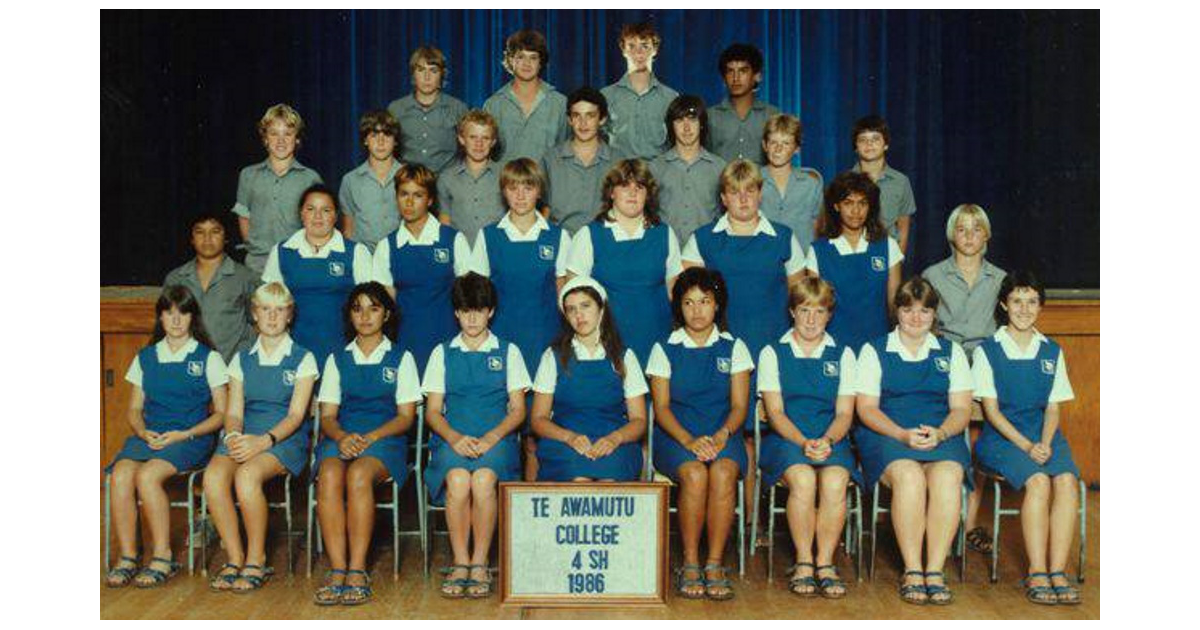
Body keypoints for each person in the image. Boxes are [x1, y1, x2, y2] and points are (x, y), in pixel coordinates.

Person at [681, 158, 806, 546]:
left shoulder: (783, 237)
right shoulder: (703, 238)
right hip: (720, 356)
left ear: (760, 194)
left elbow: (801, 299)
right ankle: (720, 523)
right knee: (733, 435)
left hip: (771, 351)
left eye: (750, 190)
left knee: (764, 433)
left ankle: (756, 524)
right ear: (723, 198)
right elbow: (687, 299)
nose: (743, 198)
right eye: (734, 192)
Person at [854, 277, 973, 605]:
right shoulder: (874, 350)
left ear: (934, 314)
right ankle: (912, 569)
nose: (916, 318)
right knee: (909, 476)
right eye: (908, 310)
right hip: (888, 434)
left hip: (940, 434)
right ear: (897, 312)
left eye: (924, 310)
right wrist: (902, 435)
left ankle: (934, 569)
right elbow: (865, 408)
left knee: (949, 476)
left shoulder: (952, 353)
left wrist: (942, 433)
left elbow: (961, 408)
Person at [105, 286, 228, 588]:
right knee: (119, 476)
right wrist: (142, 431)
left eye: (182, 312)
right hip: (151, 435)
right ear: (160, 317)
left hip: (190, 437)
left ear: (192, 317)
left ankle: (163, 556)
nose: (176, 320)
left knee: (148, 476)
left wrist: (185, 433)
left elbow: (222, 414)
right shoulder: (146, 357)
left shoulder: (208, 358)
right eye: (169, 313)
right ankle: (129, 557)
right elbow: (134, 409)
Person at [972, 270, 1081, 606]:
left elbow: (1052, 408)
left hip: (1043, 435)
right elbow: (991, 412)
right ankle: (1036, 571)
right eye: (1017, 301)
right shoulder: (988, 350)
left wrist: (1046, 442)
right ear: (1004, 304)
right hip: (1003, 438)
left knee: (1065, 481)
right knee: (1038, 482)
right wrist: (1026, 446)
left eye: (1032, 301)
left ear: (1040, 306)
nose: (1024, 308)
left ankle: (1057, 571)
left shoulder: (1051, 350)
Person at [203, 282, 318, 593]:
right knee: (213, 478)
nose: (272, 316)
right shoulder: (242, 358)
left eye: (280, 310)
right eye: (265, 309)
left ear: (289, 316)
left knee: (247, 476)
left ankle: (257, 557)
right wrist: (233, 437)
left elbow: (296, 415)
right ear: (254, 314)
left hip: (282, 438)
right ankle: (235, 557)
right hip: (245, 434)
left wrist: (264, 441)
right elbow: (234, 411)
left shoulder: (303, 358)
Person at [645, 267, 752, 601]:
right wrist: (689, 441)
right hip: (677, 435)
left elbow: (739, 406)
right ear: (679, 307)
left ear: (717, 305)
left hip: (723, 433)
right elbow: (661, 408)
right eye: (689, 303)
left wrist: (721, 436)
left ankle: (714, 563)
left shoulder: (735, 347)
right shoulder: (664, 348)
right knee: (693, 474)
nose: (697, 310)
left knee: (722, 472)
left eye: (704, 301)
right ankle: (690, 562)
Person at [422, 273, 531, 598]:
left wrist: (491, 438)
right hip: (452, 440)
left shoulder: (509, 351)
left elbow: (518, 411)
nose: (472, 317)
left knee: (483, 480)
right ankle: (460, 562)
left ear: (491, 312)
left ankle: (480, 562)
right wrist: (455, 438)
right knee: (457, 481)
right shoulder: (442, 352)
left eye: (479, 310)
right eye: (466, 310)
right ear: (456, 312)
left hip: (496, 443)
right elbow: (432, 411)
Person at [312, 282, 421, 606]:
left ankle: (358, 570)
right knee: (330, 474)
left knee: (359, 474)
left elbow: (406, 417)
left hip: (384, 440)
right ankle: (337, 570)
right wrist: (343, 437)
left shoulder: (401, 358)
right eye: (357, 308)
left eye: (373, 308)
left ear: (386, 314)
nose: (365, 316)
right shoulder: (337, 358)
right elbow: (328, 416)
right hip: (342, 437)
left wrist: (370, 438)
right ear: (350, 315)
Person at [757, 277, 857, 599]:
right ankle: (803, 561)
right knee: (803, 480)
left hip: (831, 438)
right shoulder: (773, 352)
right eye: (804, 310)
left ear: (829, 314)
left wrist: (827, 440)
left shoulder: (843, 354)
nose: (811, 320)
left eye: (819, 311)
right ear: (792, 312)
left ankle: (825, 563)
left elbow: (844, 413)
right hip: (787, 439)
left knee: (835, 481)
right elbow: (775, 412)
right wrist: (803, 442)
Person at [921, 203, 1006, 557]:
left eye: (976, 228)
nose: (969, 235)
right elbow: (924, 325)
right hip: (945, 361)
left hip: (984, 363)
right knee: (947, 428)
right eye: (962, 228)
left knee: (977, 434)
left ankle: (969, 522)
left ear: (986, 235)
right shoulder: (933, 275)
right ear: (951, 235)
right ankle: (938, 518)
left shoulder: (1001, 279)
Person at [531, 276, 648, 482]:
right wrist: (569, 438)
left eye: (585, 306)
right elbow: (538, 420)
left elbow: (639, 420)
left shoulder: (624, 356)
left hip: (614, 441)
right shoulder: (553, 356)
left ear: (601, 309)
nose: (579, 315)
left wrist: (615, 439)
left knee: (610, 480)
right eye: (571, 309)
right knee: (579, 479)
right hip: (565, 443)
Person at [567, 159, 682, 364]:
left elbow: (675, 293)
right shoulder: (588, 235)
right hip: (608, 345)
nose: (632, 193)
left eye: (639, 187)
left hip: (657, 342)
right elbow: (574, 300)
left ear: (648, 195)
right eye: (624, 186)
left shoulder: (664, 234)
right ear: (611, 192)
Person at [372, 164, 474, 373]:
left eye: (417, 195)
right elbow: (383, 306)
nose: (409, 202)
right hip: (405, 341)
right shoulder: (387, 246)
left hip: (449, 339)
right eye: (403, 194)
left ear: (429, 200)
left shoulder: (453, 240)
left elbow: (468, 299)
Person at [261, 184, 373, 365]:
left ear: (336, 216)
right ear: (301, 213)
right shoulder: (282, 251)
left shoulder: (356, 252)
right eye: (311, 209)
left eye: (326, 210)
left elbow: (370, 307)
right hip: (292, 349)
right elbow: (268, 305)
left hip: (342, 348)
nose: (318, 216)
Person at [806, 171, 904, 353]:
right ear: (836, 206)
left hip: (878, 347)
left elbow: (894, 307)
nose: (856, 211)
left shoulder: (888, 246)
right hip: (834, 348)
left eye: (862, 203)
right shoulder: (818, 251)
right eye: (848, 203)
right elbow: (815, 307)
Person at [231, 103, 324, 275]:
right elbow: (243, 215)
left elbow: (319, 222)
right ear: (265, 138)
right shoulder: (248, 175)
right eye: (274, 133)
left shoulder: (310, 178)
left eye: (288, 134)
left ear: (297, 139)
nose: (281, 140)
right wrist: (254, 248)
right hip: (257, 265)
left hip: (298, 261)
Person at [163, 213, 259, 361]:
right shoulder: (176, 279)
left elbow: (258, 323)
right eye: (200, 232)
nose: (207, 238)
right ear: (191, 239)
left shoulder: (245, 278)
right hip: (186, 367)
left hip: (232, 370)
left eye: (215, 231)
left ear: (226, 237)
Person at [541, 87, 621, 234]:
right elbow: (544, 209)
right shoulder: (551, 159)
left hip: (606, 243)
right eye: (577, 115)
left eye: (590, 116)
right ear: (569, 120)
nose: (583, 123)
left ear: (602, 119)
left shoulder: (618, 161)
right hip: (563, 242)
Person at [649, 95, 727, 244]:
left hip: (707, 252)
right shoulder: (656, 167)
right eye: (679, 120)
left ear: (702, 123)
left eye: (692, 119)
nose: (686, 127)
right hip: (667, 253)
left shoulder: (720, 167)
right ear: (671, 125)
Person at [483, 29, 568, 162]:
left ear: (541, 62)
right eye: (521, 57)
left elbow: (566, 151)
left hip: (548, 181)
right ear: (511, 60)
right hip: (504, 181)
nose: (527, 63)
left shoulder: (560, 103)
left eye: (533, 57)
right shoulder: (493, 105)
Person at [601, 21, 679, 160]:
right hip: (619, 174)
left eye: (645, 46)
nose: (638, 52)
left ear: (655, 50)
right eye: (631, 46)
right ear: (623, 50)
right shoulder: (606, 96)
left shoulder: (671, 97)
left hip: (657, 176)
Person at [387, 46, 469, 174]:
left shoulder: (458, 108)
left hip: (447, 186)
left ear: (442, 75)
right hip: (409, 185)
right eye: (421, 70)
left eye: (433, 71)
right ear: (413, 74)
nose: (427, 77)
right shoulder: (396, 109)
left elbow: (468, 151)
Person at [338, 110, 404, 252]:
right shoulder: (350, 180)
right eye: (374, 135)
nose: (381, 142)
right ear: (365, 140)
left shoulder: (409, 177)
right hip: (364, 259)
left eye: (387, 134)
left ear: (396, 140)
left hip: (401, 257)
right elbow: (349, 229)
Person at [437, 110, 505, 246]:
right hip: (461, 252)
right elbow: (445, 219)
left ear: (493, 142)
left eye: (485, 138)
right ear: (462, 139)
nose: (479, 144)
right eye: (473, 137)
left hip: (497, 249)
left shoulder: (505, 174)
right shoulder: (447, 178)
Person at [850, 115, 916, 253]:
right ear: (855, 147)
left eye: (875, 139)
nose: (869, 144)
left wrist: (899, 258)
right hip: (853, 254)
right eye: (863, 140)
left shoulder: (900, 181)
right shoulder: (845, 182)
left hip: (887, 255)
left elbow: (903, 227)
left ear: (886, 144)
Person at [759, 114, 824, 254]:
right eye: (773, 142)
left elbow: (817, 226)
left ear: (797, 149)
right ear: (765, 145)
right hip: (764, 258)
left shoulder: (811, 183)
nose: (778, 149)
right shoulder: (753, 180)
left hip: (803, 259)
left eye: (786, 143)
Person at [707, 43, 780, 164]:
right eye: (730, 71)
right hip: (721, 182)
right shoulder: (710, 116)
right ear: (724, 78)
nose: (736, 78)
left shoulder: (772, 115)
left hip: (761, 183)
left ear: (757, 76)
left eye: (743, 71)